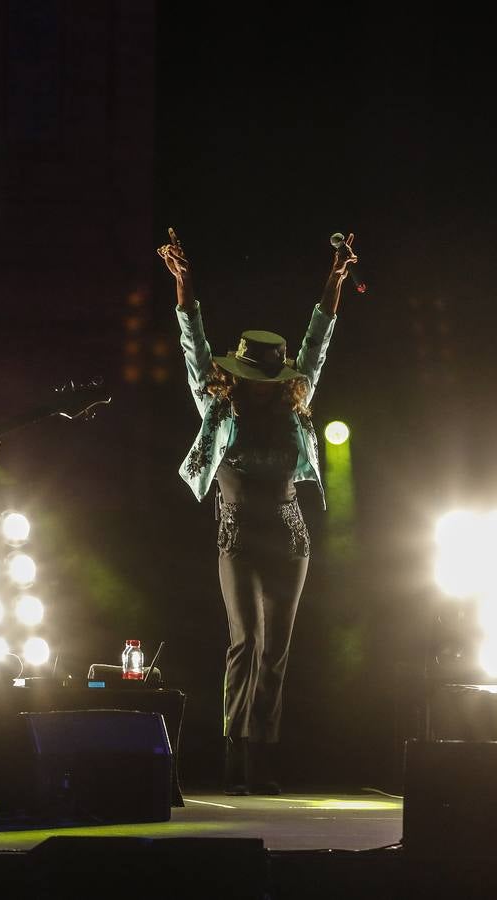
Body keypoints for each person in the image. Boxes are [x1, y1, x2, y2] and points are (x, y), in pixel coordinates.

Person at [158, 228, 356, 795]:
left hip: (289, 538)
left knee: (276, 650)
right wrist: (184, 283)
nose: (265, 388)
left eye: (273, 379)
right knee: (245, 640)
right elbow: (193, 344)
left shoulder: (297, 406)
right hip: (238, 538)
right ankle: (234, 753)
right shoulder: (217, 407)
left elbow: (318, 343)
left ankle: (261, 756)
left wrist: (333, 281)